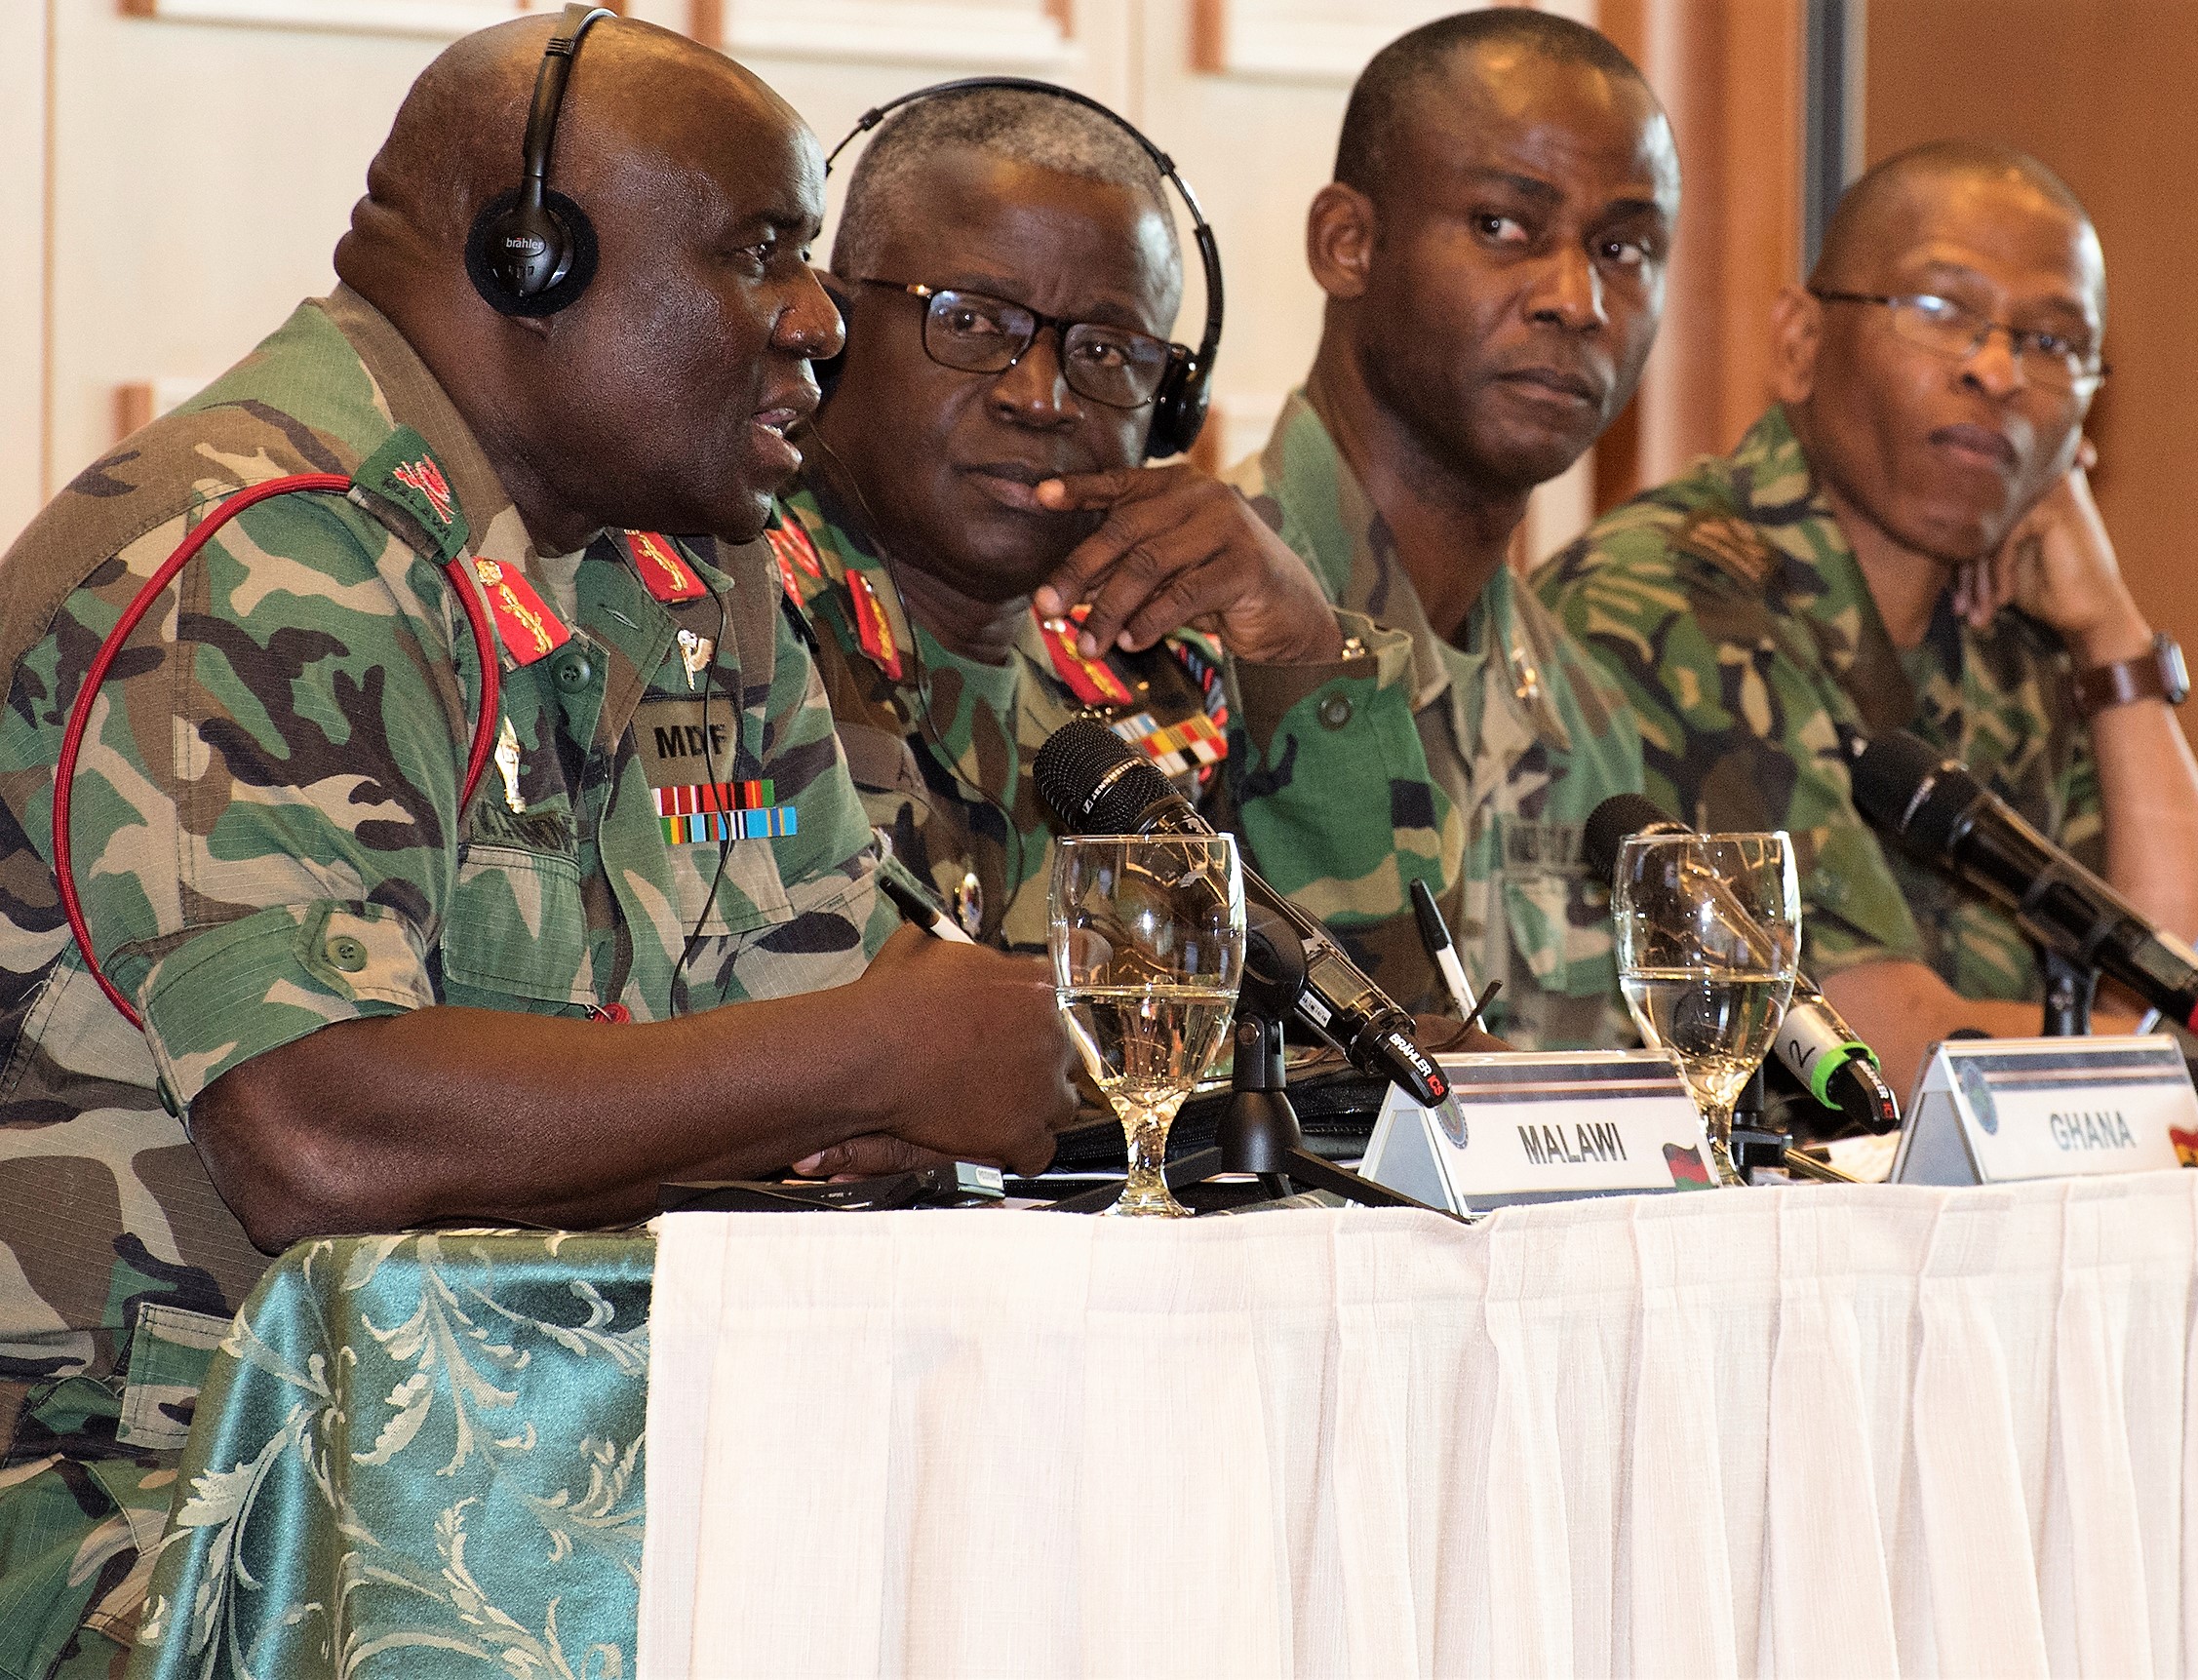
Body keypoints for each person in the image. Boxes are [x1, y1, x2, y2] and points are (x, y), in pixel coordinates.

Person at [0, 18, 1072, 1669]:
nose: (817, 318)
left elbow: (819, 1034)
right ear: (531, 259)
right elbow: (320, 1131)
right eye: (759, 252)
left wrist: (877, 1067)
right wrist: (868, 1054)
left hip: (557, 1471)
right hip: (184, 1514)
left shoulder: (690, 577)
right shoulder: (258, 557)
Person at [1539, 140, 2198, 1079]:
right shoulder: (1666, 598)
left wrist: (2111, 635)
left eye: (2051, 342)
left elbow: (2191, 979)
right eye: (1940, 311)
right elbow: (1889, 1043)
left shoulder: (2015, 633)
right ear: (1800, 343)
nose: (1997, 371)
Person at [780, 84, 1443, 957]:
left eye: (1102, 349)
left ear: (1169, 408)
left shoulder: (1165, 666)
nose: (1040, 397)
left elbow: (1388, 1007)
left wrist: (1298, 657)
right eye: (971, 321)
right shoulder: (730, 629)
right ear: (830, 332)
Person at [1226, 10, 1676, 1047]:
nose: (1575, 300)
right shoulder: (1186, 624)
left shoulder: (1582, 707)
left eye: (1620, 249)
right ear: (1346, 243)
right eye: (1501, 227)